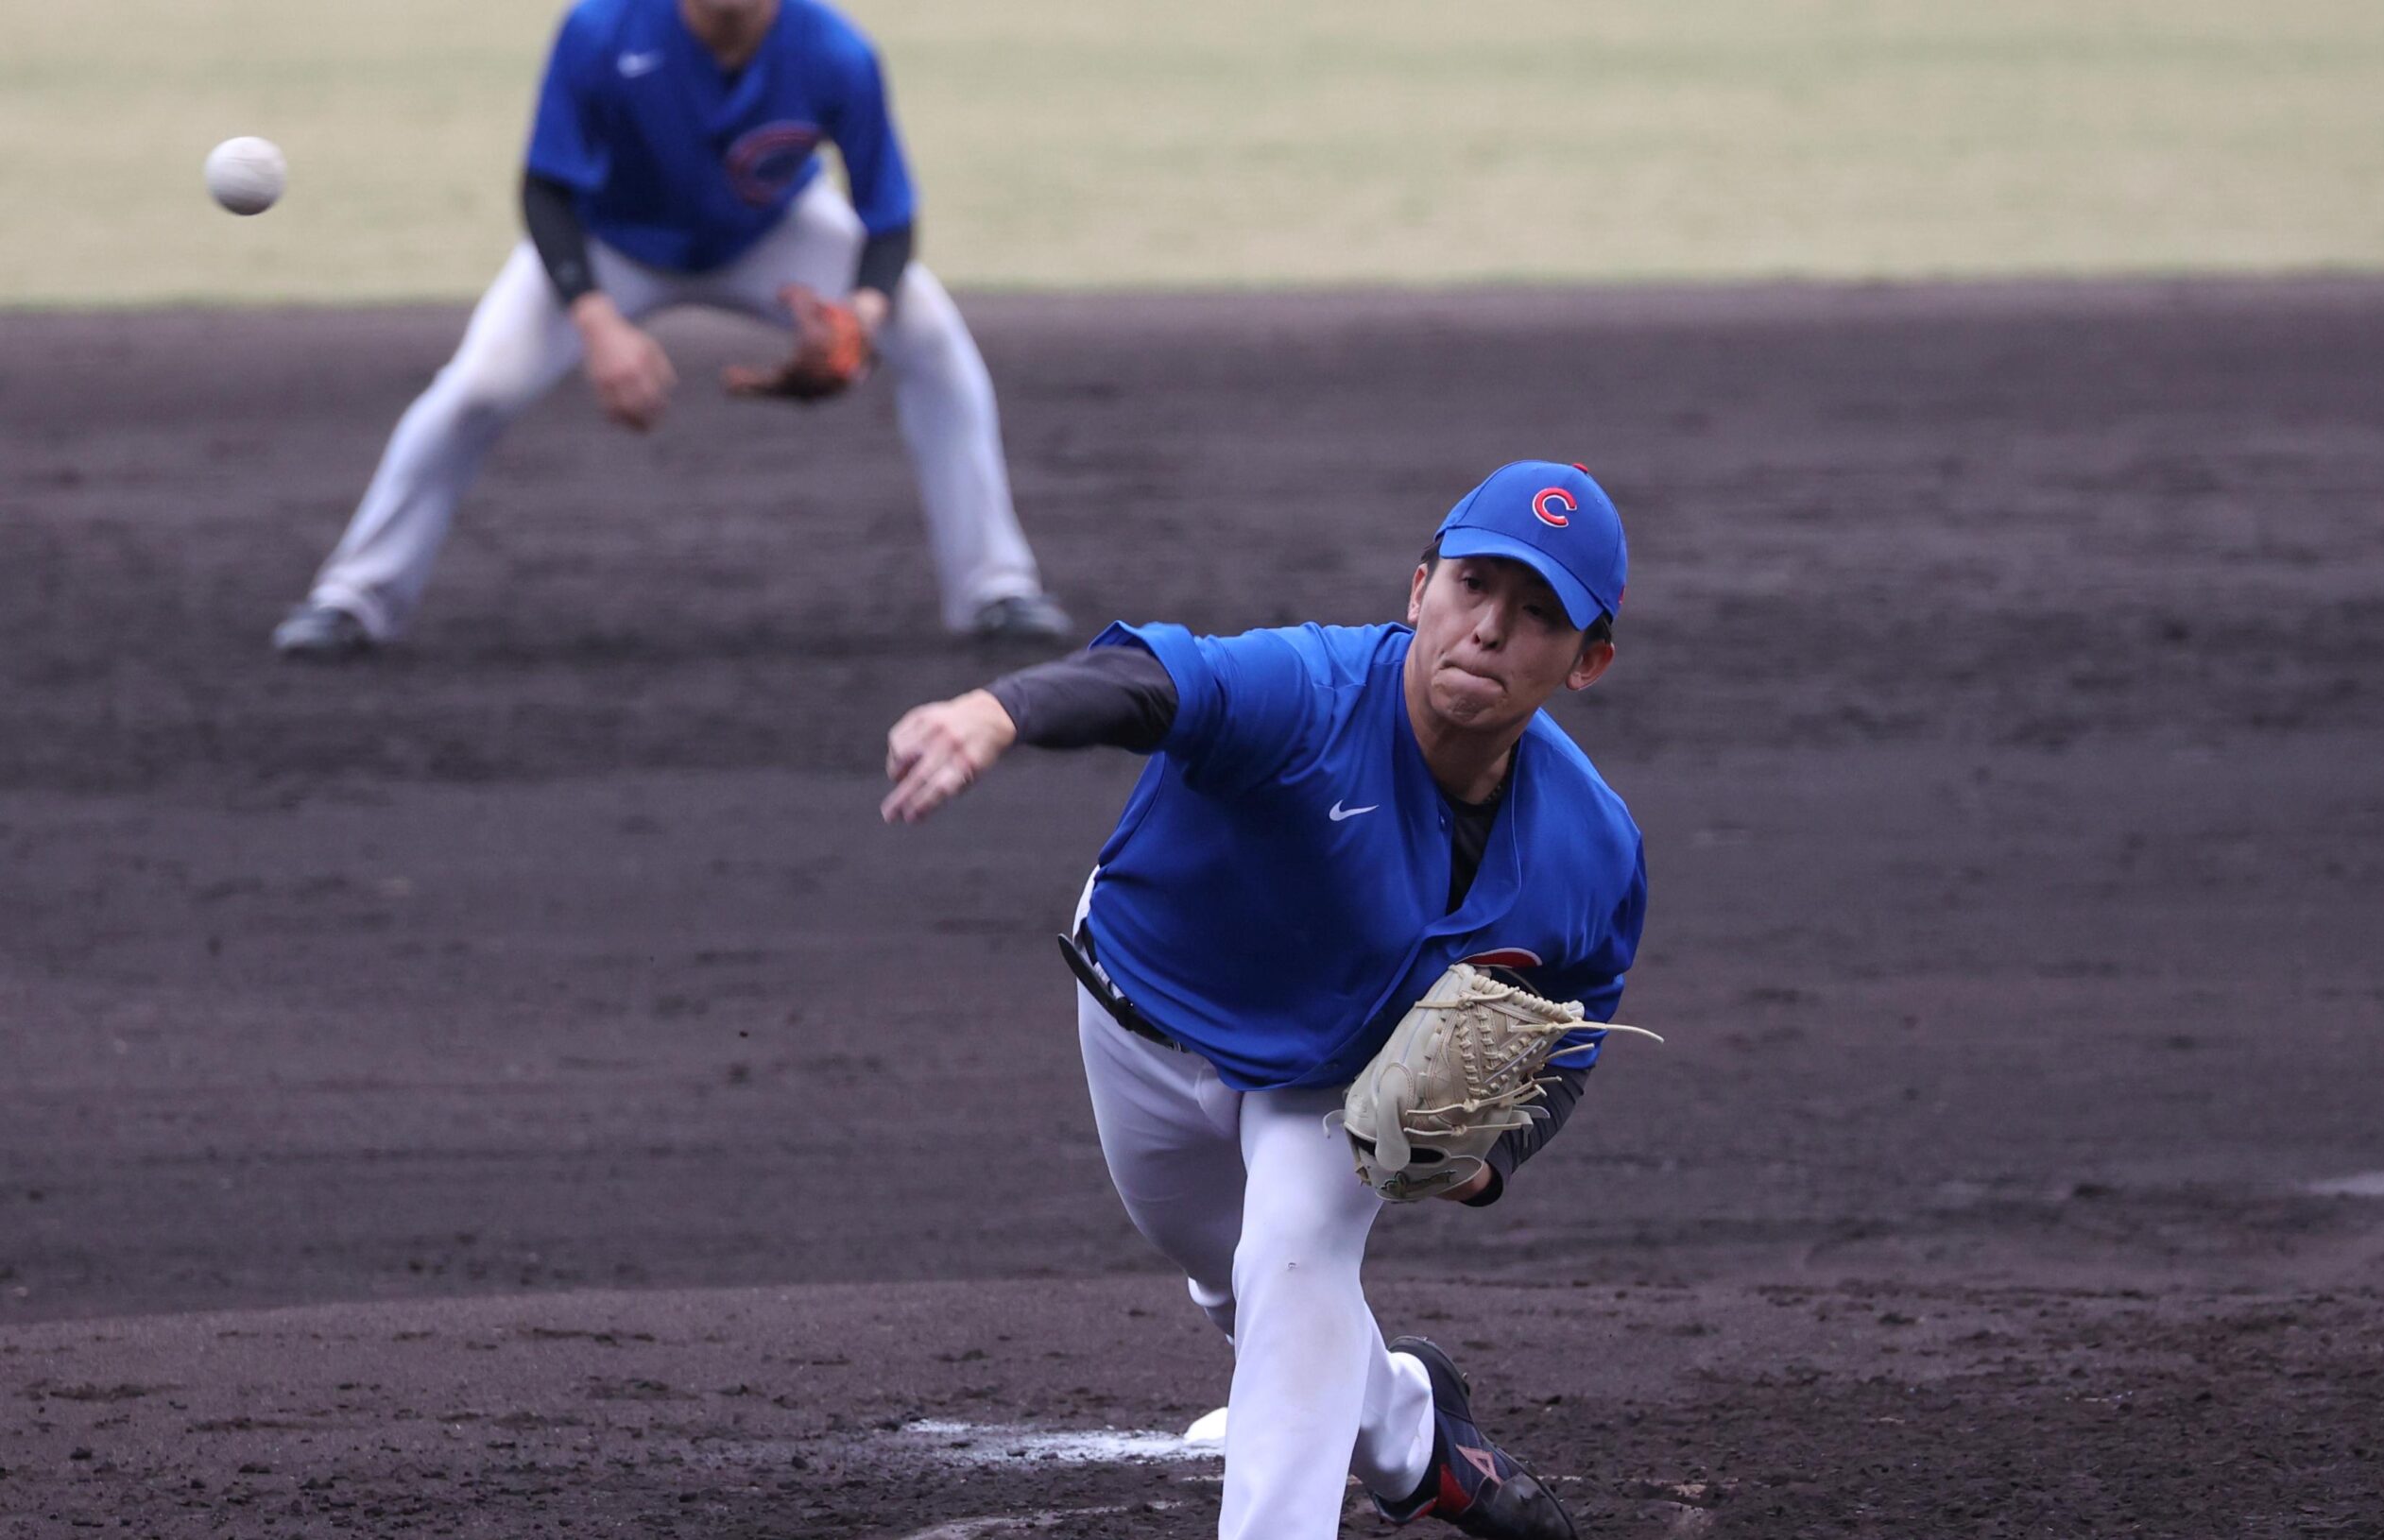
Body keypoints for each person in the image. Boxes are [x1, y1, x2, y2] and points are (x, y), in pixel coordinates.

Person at [882, 460, 1649, 1540]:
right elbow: (1155, 682)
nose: (1488, 629)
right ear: (1418, 587)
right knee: (1237, 1281)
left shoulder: (1592, 845)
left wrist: (1489, 1162)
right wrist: (998, 710)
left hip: (1326, 1078)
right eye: (1473, 585)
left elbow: (1573, 1020)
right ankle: (1411, 1430)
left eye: (1537, 614)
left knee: (1293, 1258)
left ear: (1587, 659)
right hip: (1141, 1018)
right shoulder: (1312, 690)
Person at [273, 0, 1068, 659]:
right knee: (478, 388)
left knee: (931, 338)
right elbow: (546, 190)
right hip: (609, 241)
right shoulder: (601, 28)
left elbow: (887, 219)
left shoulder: (836, 52)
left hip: (773, 237)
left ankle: (996, 586)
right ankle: (352, 597)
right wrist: (597, 323)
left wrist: (857, 322)